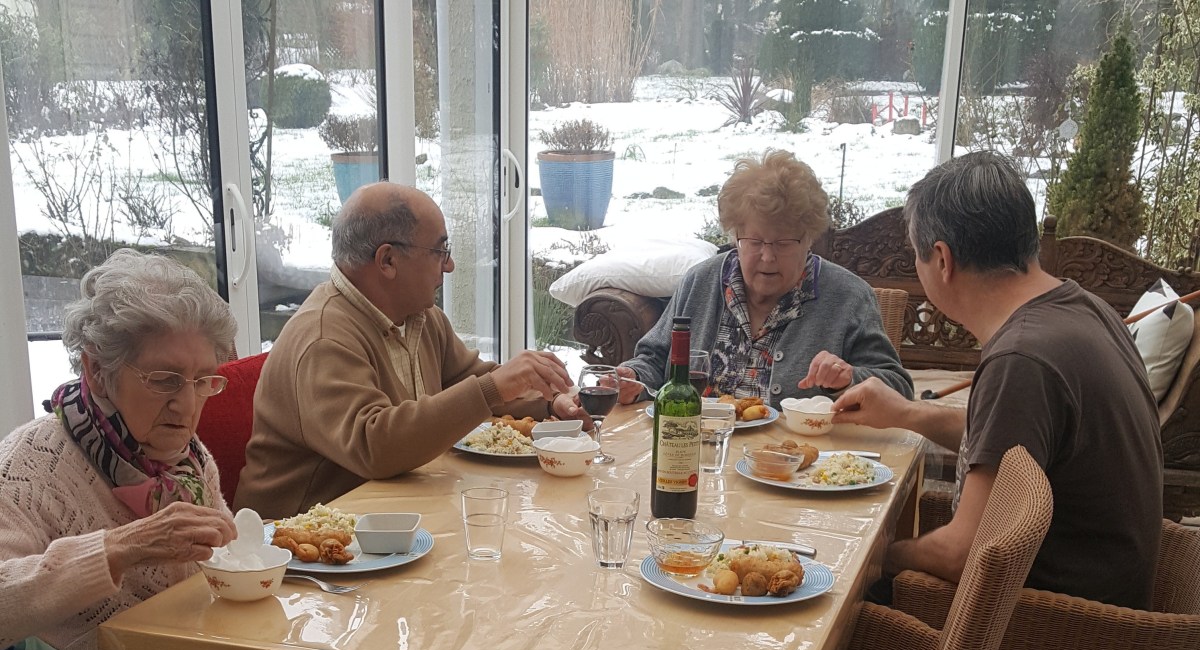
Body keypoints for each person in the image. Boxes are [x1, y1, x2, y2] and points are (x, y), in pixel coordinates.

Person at [833, 151, 1161, 610]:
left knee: (833, 594)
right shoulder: (1085, 310)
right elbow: (1013, 444)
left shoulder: (1022, 359)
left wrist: (877, 556)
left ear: (942, 259)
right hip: (1101, 603)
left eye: (915, 255)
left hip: (1053, 627)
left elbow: (963, 553)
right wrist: (906, 413)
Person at [236, 182, 586, 518]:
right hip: (298, 541)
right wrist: (494, 386)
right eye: (440, 251)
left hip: (389, 520)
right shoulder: (324, 338)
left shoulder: (419, 316)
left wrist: (551, 402)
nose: (449, 265)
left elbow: (469, 386)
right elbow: (374, 446)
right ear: (388, 260)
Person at [0, 250, 237, 650]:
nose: (187, 405)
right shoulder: (29, 465)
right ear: (96, 370)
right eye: (165, 380)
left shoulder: (189, 462)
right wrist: (118, 548)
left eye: (202, 381)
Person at [615, 150, 912, 406]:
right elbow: (653, 359)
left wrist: (848, 378)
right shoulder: (700, 282)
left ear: (809, 239)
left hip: (795, 453)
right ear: (736, 237)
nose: (768, 257)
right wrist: (634, 377)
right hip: (693, 444)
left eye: (783, 243)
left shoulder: (848, 296)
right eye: (755, 242)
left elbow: (898, 388)